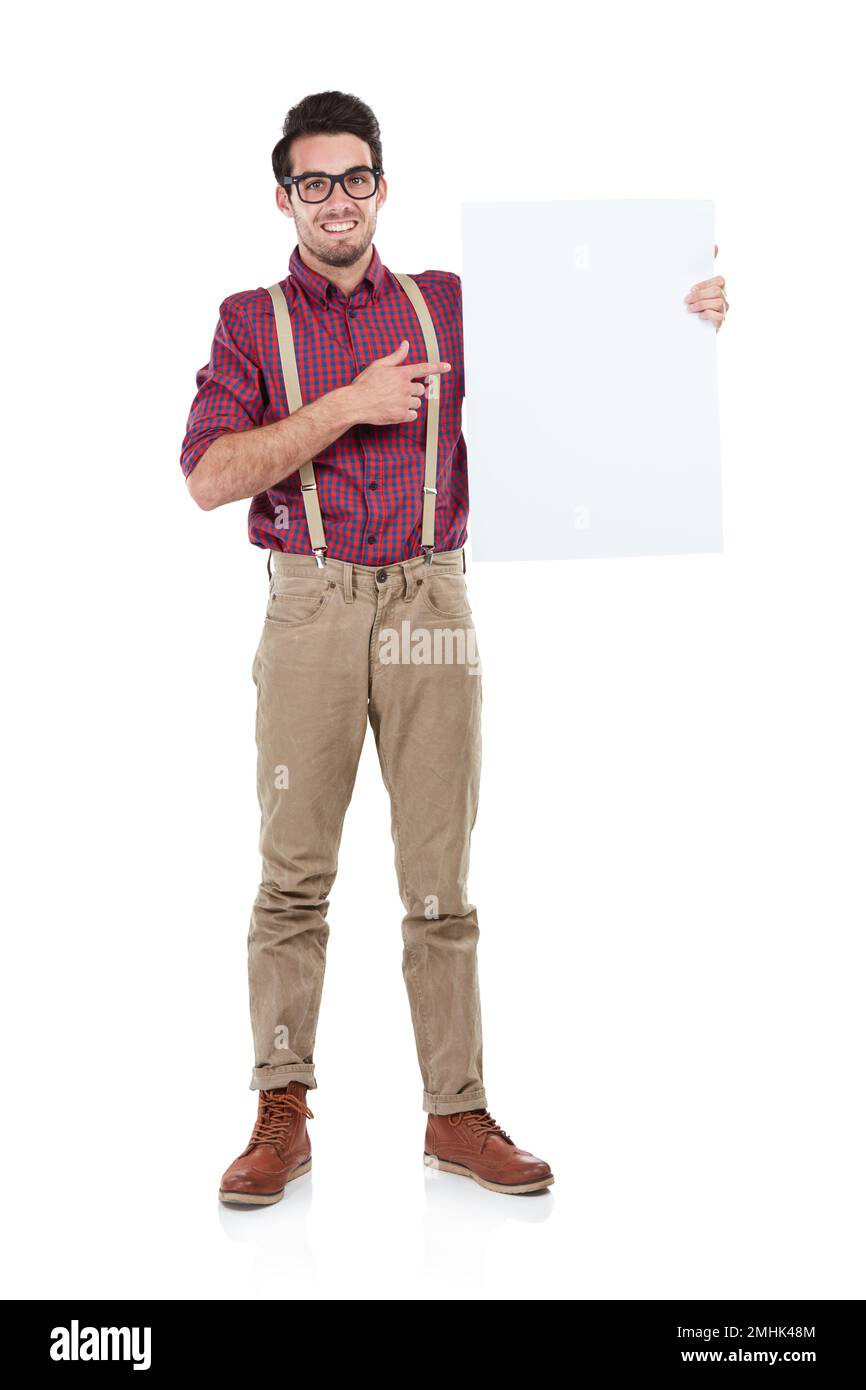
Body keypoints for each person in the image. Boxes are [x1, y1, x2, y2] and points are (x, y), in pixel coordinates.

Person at [180, 90, 728, 1209]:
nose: (336, 200)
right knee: (292, 879)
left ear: (384, 185)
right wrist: (347, 405)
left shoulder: (444, 305)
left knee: (441, 882)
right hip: (310, 610)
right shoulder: (250, 321)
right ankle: (280, 1105)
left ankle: (454, 1109)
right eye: (313, 182)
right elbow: (206, 476)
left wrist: (677, 310)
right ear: (282, 196)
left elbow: (570, 352)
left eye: (355, 177)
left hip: (432, 602)